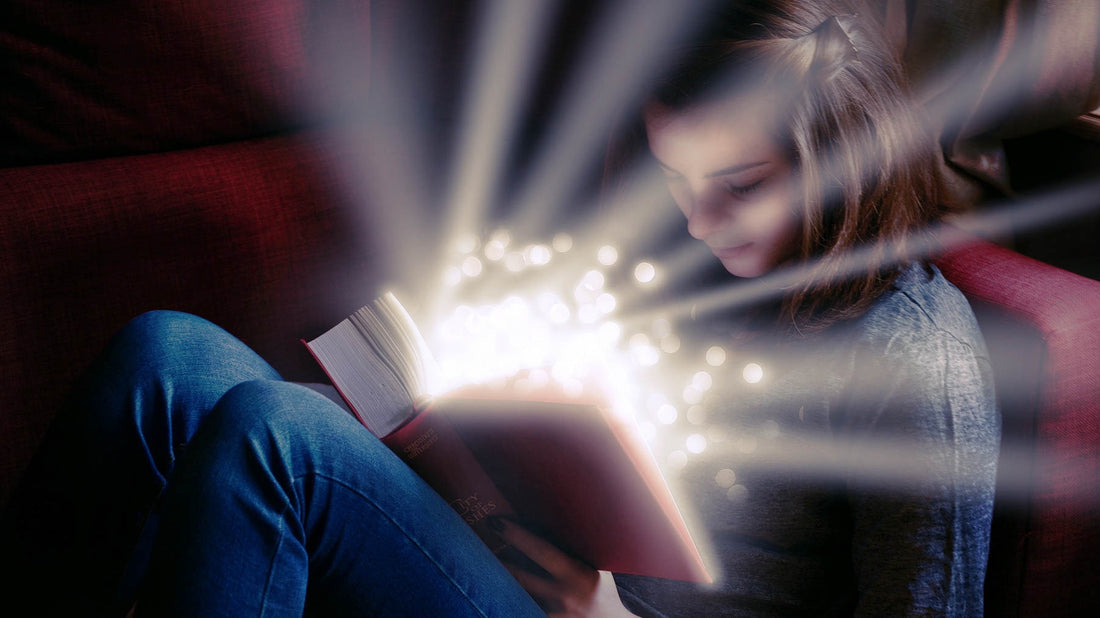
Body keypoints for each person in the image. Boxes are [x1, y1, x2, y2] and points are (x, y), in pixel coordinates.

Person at [0, 1, 998, 616]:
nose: (693, 223)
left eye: (734, 186)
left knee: (276, 434)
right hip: (509, 562)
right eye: (672, 181)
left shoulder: (918, 360)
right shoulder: (704, 263)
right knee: (166, 357)